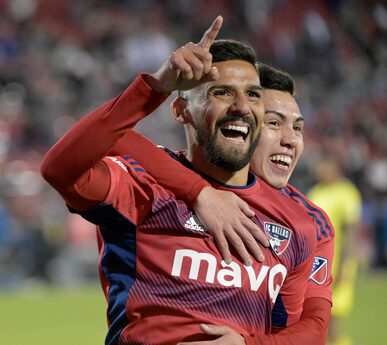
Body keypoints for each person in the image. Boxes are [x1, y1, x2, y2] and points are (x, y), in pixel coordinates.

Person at [41, 16, 319, 345]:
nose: (241, 107)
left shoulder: (298, 223)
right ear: (181, 110)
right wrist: (156, 86)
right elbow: (59, 168)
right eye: (222, 93)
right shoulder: (142, 188)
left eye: (254, 95)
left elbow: (304, 332)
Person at [110, 63, 334, 345]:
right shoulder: (159, 175)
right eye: (274, 124)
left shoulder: (310, 221)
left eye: (298, 127)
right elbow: (109, 135)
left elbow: (314, 328)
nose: (290, 140)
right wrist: (198, 191)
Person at [307, 156, 362, 345]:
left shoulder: (347, 193)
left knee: (333, 316)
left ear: (335, 168)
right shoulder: (316, 191)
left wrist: (345, 266)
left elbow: (351, 233)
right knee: (318, 316)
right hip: (317, 262)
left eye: (324, 165)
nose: (320, 170)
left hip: (338, 262)